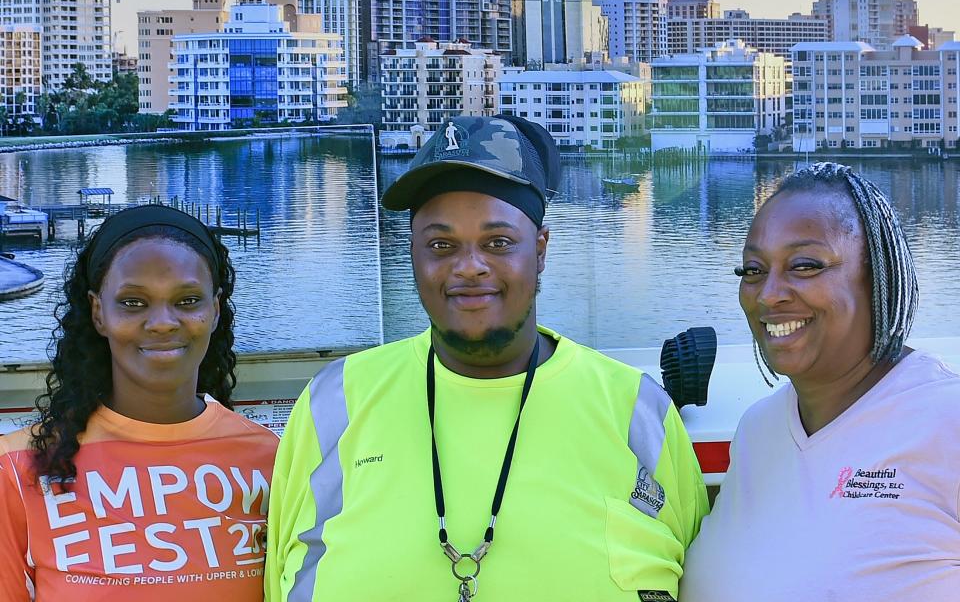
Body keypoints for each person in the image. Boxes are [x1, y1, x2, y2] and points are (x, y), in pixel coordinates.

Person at [266, 115, 708, 602]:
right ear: (412, 254)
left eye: (498, 243)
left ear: (540, 249)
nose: (469, 266)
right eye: (441, 245)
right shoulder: (334, 403)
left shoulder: (636, 410)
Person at [679, 163, 960, 601]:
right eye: (752, 270)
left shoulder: (948, 422)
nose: (769, 293)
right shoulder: (758, 430)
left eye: (805, 265)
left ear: (874, 275)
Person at [0, 205, 279, 602]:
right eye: (133, 302)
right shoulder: (18, 467)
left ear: (215, 310)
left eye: (187, 300)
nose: (163, 322)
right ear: (99, 313)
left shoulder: (271, 460)